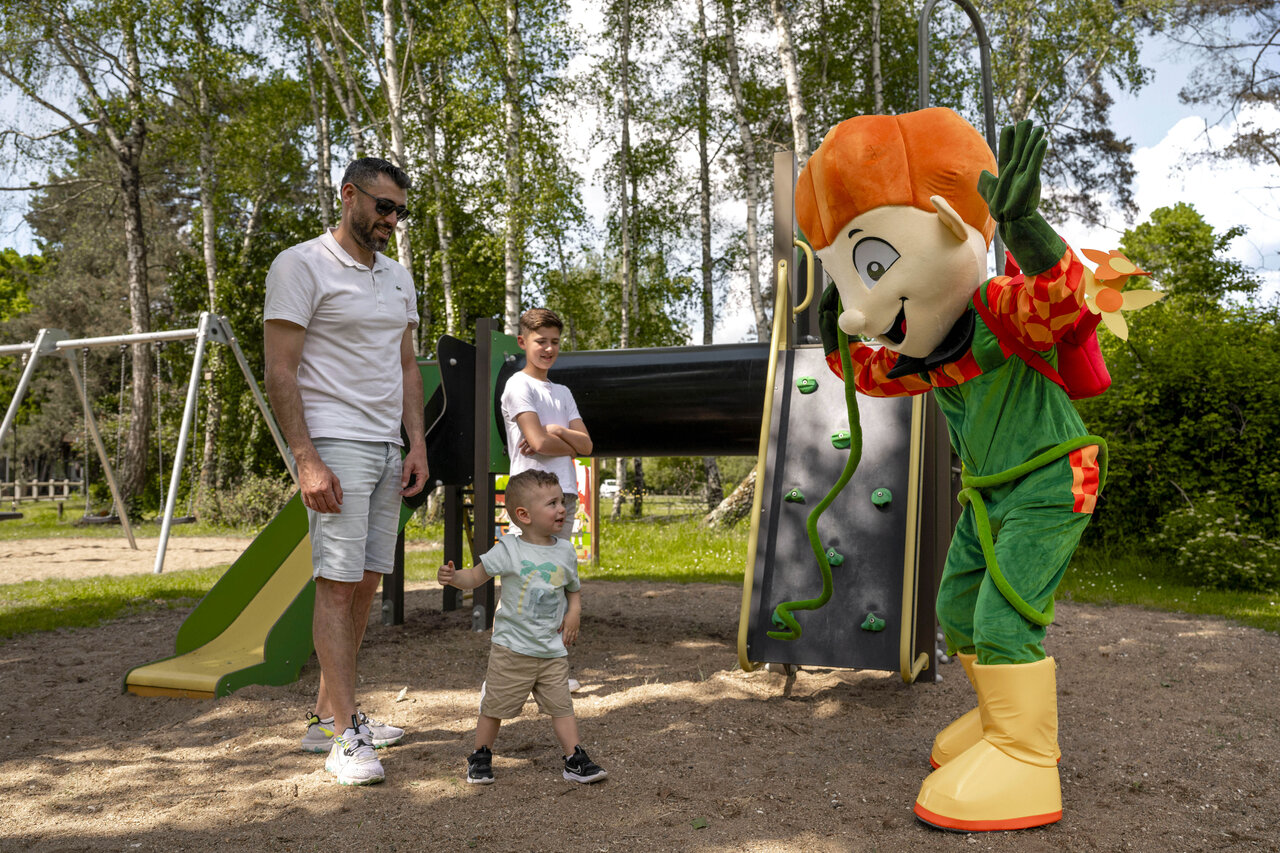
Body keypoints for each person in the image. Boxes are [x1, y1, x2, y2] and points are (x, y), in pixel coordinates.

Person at [264, 156, 427, 787]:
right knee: (335, 585)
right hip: (334, 442)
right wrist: (306, 458)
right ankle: (344, 737)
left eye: (400, 212)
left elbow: (407, 367)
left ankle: (329, 717)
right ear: (349, 195)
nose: (392, 221)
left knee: (364, 583)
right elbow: (281, 369)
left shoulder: (398, 277)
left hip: (387, 446)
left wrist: (416, 444)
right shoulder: (300, 264)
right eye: (384, 207)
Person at [437, 469, 607, 786]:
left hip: (552, 650)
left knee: (562, 707)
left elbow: (573, 588)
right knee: (494, 706)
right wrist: (453, 577)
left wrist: (575, 612)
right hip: (512, 650)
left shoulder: (565, 550)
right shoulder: (509, 549)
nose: (561, 509)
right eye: (552, 503)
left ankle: (574, 758)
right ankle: (481, 755)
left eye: (562, 501)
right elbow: (475, 577)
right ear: (524, 515)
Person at [500, 308, 592, 539]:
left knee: (558, 562)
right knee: (528, 560)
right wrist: (571, 448)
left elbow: (587, 446)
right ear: (522, 342)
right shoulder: (519, 385)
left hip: (565, 494)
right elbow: (539, 443)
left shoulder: (563, 392)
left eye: (555, 342)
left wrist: (555, 430)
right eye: (541, 341)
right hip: (531, 494)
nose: (549, 348)